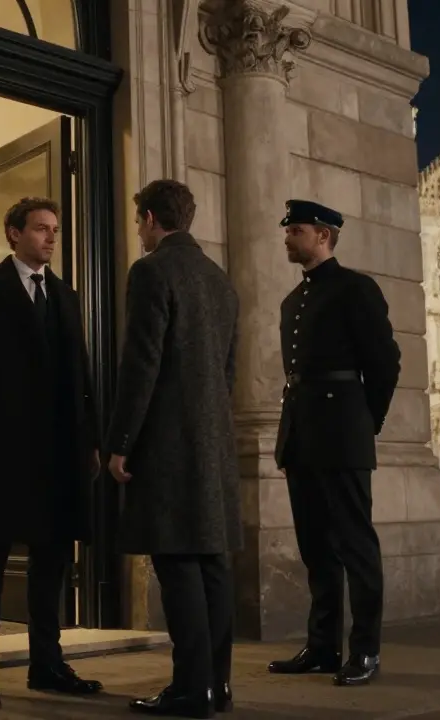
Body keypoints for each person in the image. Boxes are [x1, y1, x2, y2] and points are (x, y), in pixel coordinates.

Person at [0, 197, 104, 709]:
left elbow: (82, 373)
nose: (51, 238)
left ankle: (48, 664)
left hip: (61, 454)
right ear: (13, 234)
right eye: (40, 229)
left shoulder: (65, 295)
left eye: (55, 230)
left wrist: (94, 440)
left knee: (51, 564)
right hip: (5, 449)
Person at [106, 180, 240, 718]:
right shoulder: (220, 280)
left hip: (166, 443)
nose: (138, 231)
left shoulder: (151, 271)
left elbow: (141, 364)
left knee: (178, 565)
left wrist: (120, 443)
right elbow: (227, 373)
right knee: (212, 566)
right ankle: (216, 686)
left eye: (140, 220)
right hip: (213, 443)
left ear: (152, 219)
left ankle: (190, 690)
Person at [266, 200, 401, 687]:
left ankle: (364, 650)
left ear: (322, 235)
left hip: (342, 434)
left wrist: (367, 423)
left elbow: (385, 364)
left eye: (295, 230)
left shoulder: (356, 290)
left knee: (355, 547)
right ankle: (323, 647)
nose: (287, 238)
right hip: (302, 437)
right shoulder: (291, 302)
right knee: (315, 549)